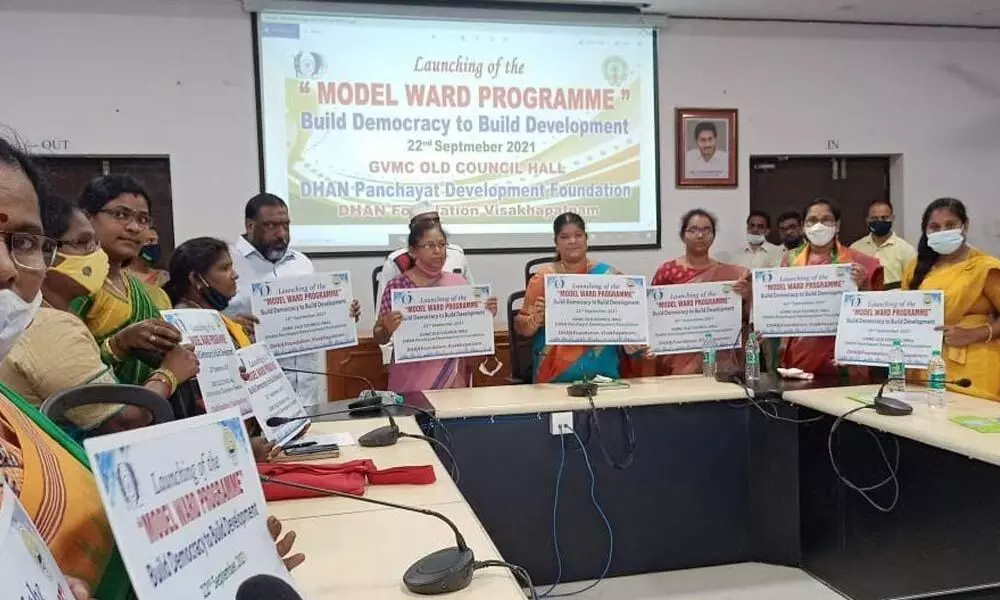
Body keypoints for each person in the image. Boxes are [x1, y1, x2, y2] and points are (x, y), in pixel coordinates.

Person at [0, 137, 303, 600]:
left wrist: (222, 549)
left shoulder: (17, 413)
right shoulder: (51, 327)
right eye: (116, 218)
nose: (8, 268)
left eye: (22, 242)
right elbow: (117, 417)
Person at [0, 196, 198, 436]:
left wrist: (119, 345)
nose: (97, 255)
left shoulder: (32, 317)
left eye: (95, 244)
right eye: (83, 243)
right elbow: (121, 422)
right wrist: (170, 373)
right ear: (45, 252)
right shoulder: (47, 324)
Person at [75, 174, 182, 386]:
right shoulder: (74, 284)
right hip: (95, 412)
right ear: (87, 218)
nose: (134, 228)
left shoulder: (137, 287)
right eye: (120, 214)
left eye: (143, 219)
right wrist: (119, 344)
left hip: (152, 409)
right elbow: (62, 367)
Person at [514, 213, 641, 383]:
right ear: (556, 244)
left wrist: (633, 342)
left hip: (602, 369)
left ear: (586, 240)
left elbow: (629, 325)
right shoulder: (543, 278)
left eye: (578, 235)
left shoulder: (610, 277)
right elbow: (522, 328)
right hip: (555, 372)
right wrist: (535, 320)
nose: (572, 241)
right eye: (565, 237)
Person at [227, 193, 325, 407]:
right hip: (255, 393)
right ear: (250, 225)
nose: (281, 234)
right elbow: (210, 319)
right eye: (271, 225)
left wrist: (340, 312)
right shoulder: (228, 263)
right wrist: (230, 325)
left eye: (286, 225)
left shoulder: (301, 263)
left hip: (307, 391)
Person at [375, 220, 496, 392]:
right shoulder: (398, 287)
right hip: (410, 381)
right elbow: (379, 336)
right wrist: (387, 327)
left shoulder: (457, 282)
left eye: (442, 244)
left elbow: (471, 332)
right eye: (430, 245)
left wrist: (484, 314)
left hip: (453, 378)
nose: (438, 251)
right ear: (413, 251)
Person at [902, 198, 1000, 401]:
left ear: (965, 225)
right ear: (926, 231)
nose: (942, 231)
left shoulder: (985, 267)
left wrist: (974, 333)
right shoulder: (915, 268)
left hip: (973, 368)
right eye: (935, 227)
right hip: (923, 367)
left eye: (950, 225)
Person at [778, 198, 883, 377]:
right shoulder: (790, 260)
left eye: (826, 220)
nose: (818, 225)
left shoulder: (860, 262)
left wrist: (864, 285)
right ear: (803, 226)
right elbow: (782, 307)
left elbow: (875, 316)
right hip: (801, 351)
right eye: (812, 220)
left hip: (844, 354)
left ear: (838, 225)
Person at [652, 209, 749, 375]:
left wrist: (746, 296)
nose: (700, 235)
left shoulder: (731, 275)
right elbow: (653, 314)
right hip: (677, 353)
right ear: (683, 235)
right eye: (693, 229)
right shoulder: (667, 271)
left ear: (713, 235)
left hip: (718, 354)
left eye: (706, 230)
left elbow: (745, 319)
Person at [376, 199, 471, 317]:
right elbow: (382, 316)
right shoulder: (397, 260)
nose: (432, 224)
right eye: (425, 222)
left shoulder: (457, 254)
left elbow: (472, 299)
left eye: (436, 220)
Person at [850, 199, 917, 290]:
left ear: (892, 218)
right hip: (864, 301)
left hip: (895, 302)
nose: (880, 221)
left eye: (884, 218)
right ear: (867, 220)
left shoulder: (906, 250)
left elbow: (913, 283)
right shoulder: (855, 248)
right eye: (874, 218)